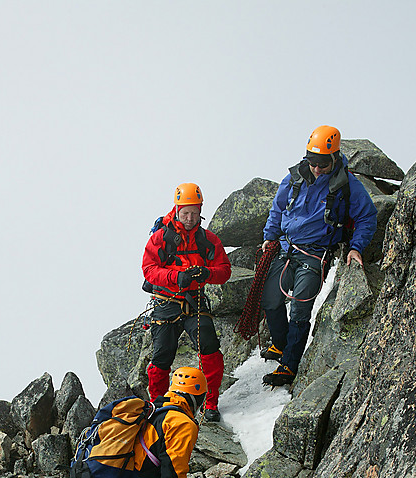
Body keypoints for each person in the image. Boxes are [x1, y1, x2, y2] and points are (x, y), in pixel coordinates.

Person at [260, 125, 378, 386]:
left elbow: (367, 217)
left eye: (322, 163)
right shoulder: (294, 178)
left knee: (300, 312)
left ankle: (289, 366)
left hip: (315, 255)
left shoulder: (347, 185)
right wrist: (270, 236)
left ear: (334, 158)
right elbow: (277, 209)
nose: (316, 168)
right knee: (270, 302)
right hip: (284, 247)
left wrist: (356, 247)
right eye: (312, 161)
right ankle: (281, 345)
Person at [142, 183, 231, 421]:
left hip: (195, 300)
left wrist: (207, 274)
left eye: (195, 213)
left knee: (210, 347)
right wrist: (175, 277)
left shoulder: (207, 240)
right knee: (162, 355)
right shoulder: (161, 238)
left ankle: (210, 403)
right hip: (166, 301)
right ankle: (156, 405)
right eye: (186, 213)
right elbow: (148, 270)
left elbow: (224, 270)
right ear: (177, 209)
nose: (190, 218)